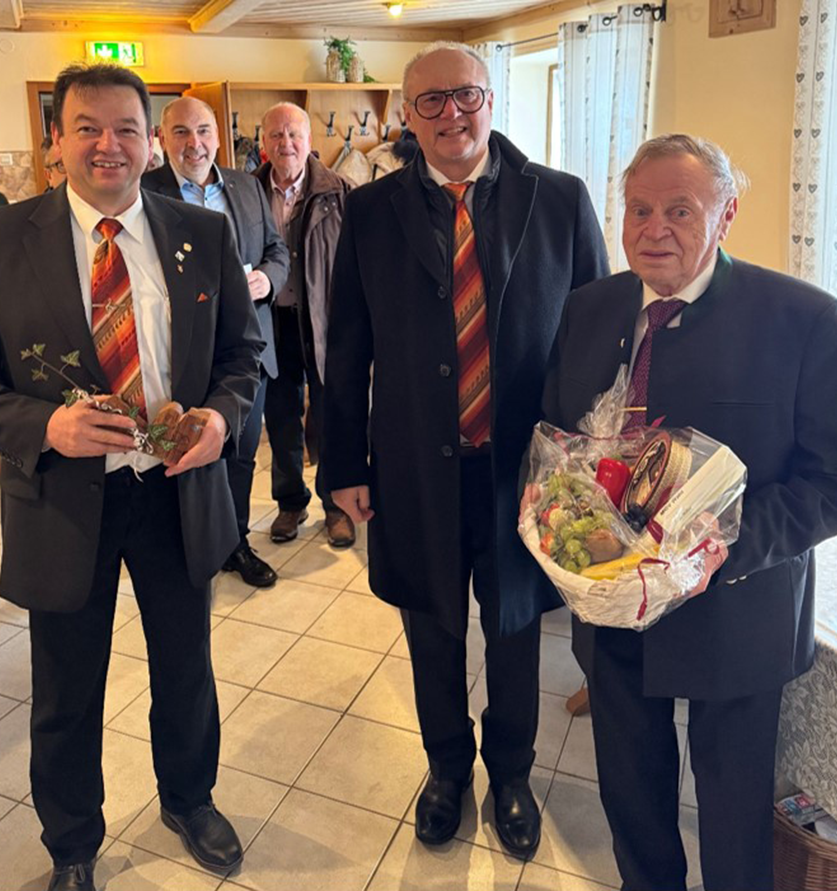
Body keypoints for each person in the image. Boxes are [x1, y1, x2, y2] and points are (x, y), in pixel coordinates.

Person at [0, 63, 265, 891]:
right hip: (61, 499)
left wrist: (220, 418)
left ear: (152, 143)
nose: (107, 145)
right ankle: (72, 844)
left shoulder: (203, 233)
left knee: (185, 667)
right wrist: (44, 427)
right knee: (67, 687)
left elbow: (242, 354)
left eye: (126, 128)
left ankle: (189, 799)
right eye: (86, 127)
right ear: (56, 141)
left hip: (175, 492)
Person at [322, 42, 608, 858]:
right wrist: (343, 466)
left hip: (526, 473)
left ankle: (511, 773)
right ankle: (446, 768)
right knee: (431, 627)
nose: (452, 114)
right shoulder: (370, 211)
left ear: (491, 98)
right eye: (431, 101)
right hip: (414, 466)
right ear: (407, 116)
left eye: (467, 95)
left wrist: (591, 467)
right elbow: (346, 348)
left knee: (513, 630)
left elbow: (593, 338)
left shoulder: (558, 197)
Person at [541, 134, 837, 891]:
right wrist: (553, 516)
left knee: (733, 819)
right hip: (613, 610)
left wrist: (721, 546)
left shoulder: (804, 319)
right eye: (639, 210)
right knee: (631, 797)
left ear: (726, 215)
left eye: (681, 210)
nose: (654, 229)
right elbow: (559, 442)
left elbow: (829, 483)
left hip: (737, 614)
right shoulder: (589, 308)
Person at [143, 96, 289, 588]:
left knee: (241, 454)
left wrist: (268, 278)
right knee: (180, 453)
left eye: (204, 131)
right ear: (162, 140)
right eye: (181, 132)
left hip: (247, 349)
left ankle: (234, 543)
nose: (195, 143)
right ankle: (181, 548)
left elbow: (277, 250)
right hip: (179, 353)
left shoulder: (246, 186)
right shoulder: (144, 191)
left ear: (219, 136)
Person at [254, 101, 356, 548]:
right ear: (263, 143)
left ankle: (336, 505)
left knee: (332, 414)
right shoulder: (247, 192)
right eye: (277, 135)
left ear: (309, 141)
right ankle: (290, 502)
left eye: (294, 134)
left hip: (325, 320)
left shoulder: (341, 192)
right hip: (271, 322)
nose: (286, 143)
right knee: (280, 417)